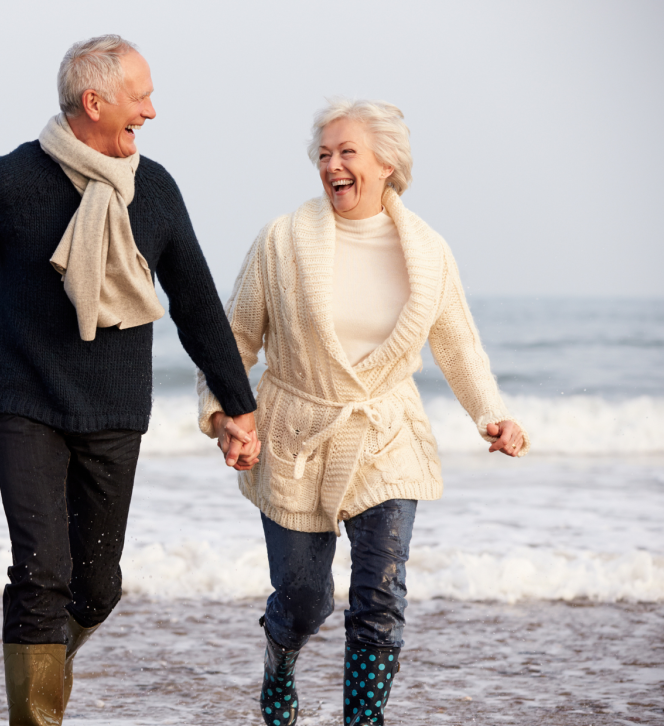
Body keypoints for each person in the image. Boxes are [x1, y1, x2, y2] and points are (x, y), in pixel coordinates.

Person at [0, 35, 258, 726]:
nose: (151, 111)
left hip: (115, 408)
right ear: (95, 102)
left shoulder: (153, 190)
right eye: (140, 96)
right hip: (25, 400)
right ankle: (36, 718)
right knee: (40, 575)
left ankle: (42, 679)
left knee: (95, 588)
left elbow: (198, 304)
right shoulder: (6, 183)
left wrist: (239, 407)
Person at [197, 99, 530, 726]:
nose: (332, 165)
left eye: (346, 152)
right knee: (302, 599)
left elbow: (457, 344)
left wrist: (492, 414)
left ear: (386, 163)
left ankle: (363, 720)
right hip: (296, 432)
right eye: (323, 154)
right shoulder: (282, 240)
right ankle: (279, 659)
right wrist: (225, 418)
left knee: (380, 594)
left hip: (385, 432)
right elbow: (234, 341)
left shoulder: (428, 251)